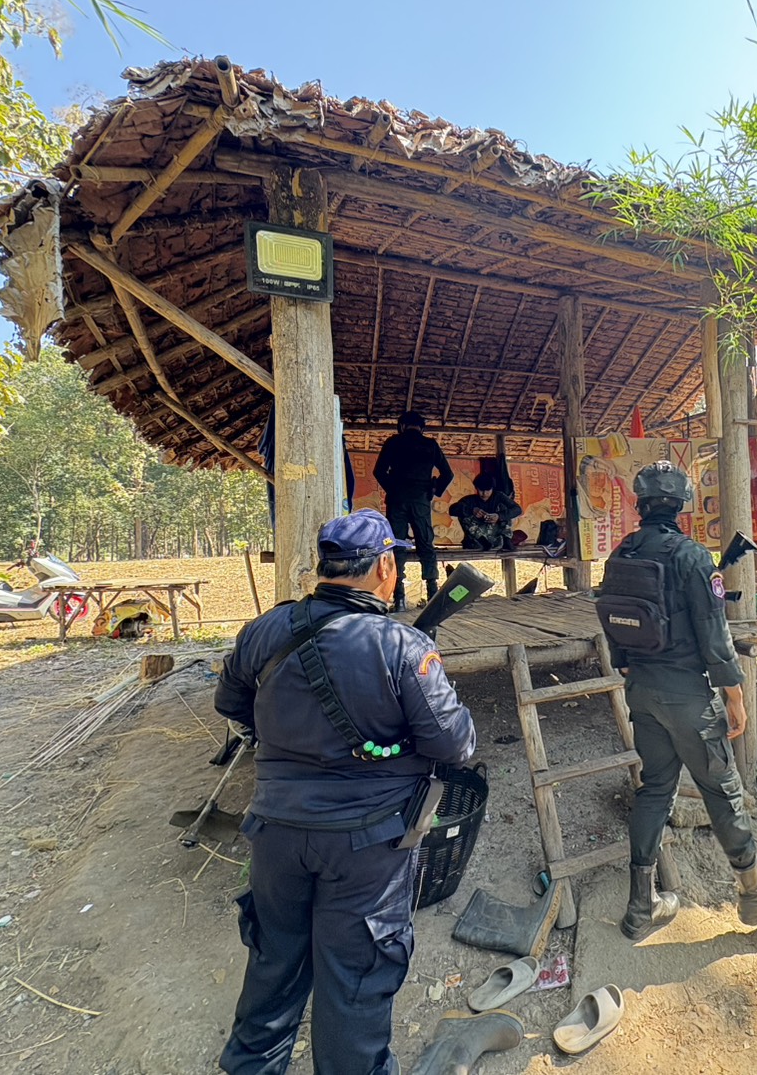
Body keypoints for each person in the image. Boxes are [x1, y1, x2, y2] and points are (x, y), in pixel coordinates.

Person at [214, 509, 476, 1075]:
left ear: (325, 567)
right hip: (368, 846)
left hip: (275, 831)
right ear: (384, 567)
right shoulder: (401, 646)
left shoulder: (266, 629)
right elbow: (454, 745)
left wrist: (283, 738)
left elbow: (230, 702)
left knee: (273, 968)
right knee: (355, 985)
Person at [603, 461, 757, 941]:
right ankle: (754, 893)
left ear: (640, 503)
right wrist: (735, 696)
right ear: (681, 505)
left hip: (641, 691)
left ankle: (641, 906)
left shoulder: (620, 554)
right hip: (688, 698)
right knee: (722, 790)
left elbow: (610, 616)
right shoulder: (692, 557)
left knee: (655, 790)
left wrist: (626, 663)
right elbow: (716, 637)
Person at [373, 411, 453, 611]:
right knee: (426, 544)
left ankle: (399, 597)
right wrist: (433, 491)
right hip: (420, 500)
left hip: (397, 500)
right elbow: (448, 474)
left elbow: (378, 471)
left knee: (396, 545)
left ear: (401, 426)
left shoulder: (393, 443)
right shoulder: (430, 445)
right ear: (422, 428)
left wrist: (393, 489)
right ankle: (432, 594)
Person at [448, 474, 523, 551]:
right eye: (481, 490)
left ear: (492, 489)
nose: (484, 493)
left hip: (496, 535)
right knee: (462, 513)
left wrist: (499, 516)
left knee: (504, 508)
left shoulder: (499, 496)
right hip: (478, 539)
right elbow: (452, 510)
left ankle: (506, 540)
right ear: (476, 488)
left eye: (488, 490)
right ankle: (483, 542)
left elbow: (517, 509)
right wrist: (471, 510)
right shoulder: (470, 500)